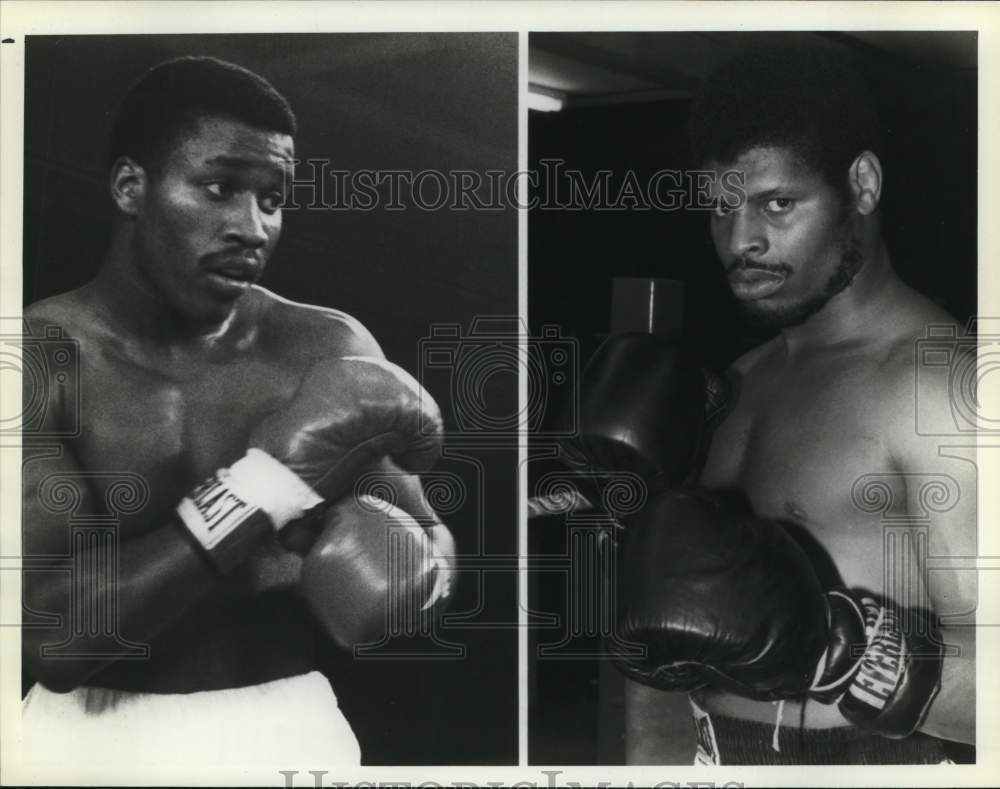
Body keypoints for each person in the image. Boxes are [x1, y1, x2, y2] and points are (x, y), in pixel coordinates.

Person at [19, 56, 455, 775]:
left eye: (272, 199)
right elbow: (59, 638)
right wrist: (261, 486)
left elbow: (433, 539)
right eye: (219, 188)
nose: (251, 227)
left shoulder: (324, 349)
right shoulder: (40, 360)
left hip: (286, 727)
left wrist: (411, 576)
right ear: (133, 186)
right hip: (86, 739)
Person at [612, 43, 976, 765]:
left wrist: (844, 656)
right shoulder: (742, 379)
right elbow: (673, 658)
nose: (741, 239)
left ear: (862, 186)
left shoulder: (939, 388)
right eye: (721, 208)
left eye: (778, 204)